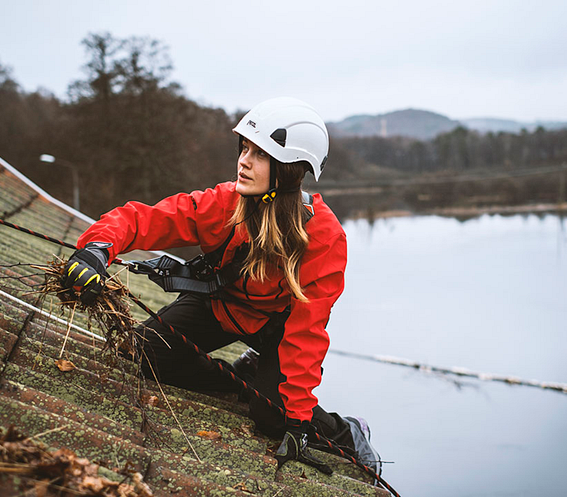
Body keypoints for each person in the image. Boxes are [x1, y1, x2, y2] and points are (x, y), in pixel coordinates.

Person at [62, 97, 380, 475]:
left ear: (291, 169)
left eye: (259, 154)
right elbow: (144, 220)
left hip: (277, 327)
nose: (243, 161)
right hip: (222, 307)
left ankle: (350, 433)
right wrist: (98, 249)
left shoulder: (324, 238)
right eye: (244, 149)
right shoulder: (224, 203)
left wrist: (296, 418)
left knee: (275, 419)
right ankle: (244, 380)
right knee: (145, 353)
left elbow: (306, 330)